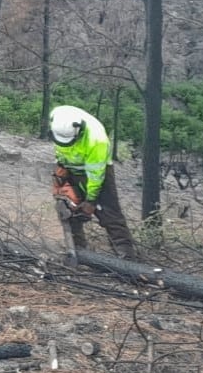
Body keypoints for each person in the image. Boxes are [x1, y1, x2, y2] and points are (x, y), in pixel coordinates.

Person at [48, 104, 138, 260]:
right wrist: (60, 168)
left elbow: (95, 176)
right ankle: (78, 250)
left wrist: (91, 201)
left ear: (79, 131)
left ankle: (128, 259)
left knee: (109, 214)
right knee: (67, 207)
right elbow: (60, 149)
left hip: (96, 172)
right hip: (69, 167)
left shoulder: (97, 140)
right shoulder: (57, 118)